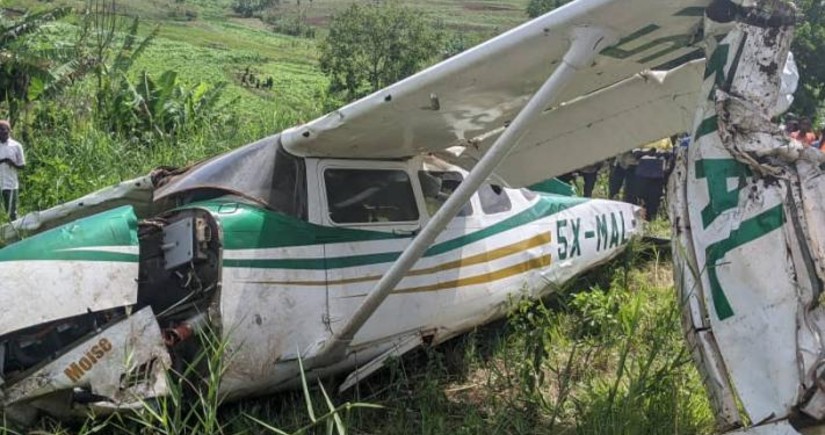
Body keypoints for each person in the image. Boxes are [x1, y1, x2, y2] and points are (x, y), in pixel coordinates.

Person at [0, 120, 25, 220]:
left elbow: (22, 166)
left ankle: (15, 234)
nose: (1, 132)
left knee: (11, 213)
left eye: (3, 130)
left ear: (9, 131)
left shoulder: (16, 146)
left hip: (10, 185)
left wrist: (12, 163)